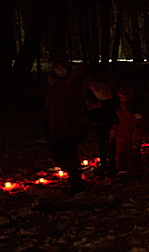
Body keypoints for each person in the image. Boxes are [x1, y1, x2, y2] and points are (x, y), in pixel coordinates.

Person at [45, 57, 86, 193]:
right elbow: (49, 103)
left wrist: (80, 121)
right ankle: (72, 177)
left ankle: (76, 184)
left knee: (71, 155)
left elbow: (79, 104)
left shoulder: (73, 84)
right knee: (57, 153)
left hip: (70, 124)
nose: (59, 71)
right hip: (55, 124)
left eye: (61, 68)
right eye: (57, 68)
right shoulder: (52, 85)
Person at [86, 78, 118, 179]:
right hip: (102, 120)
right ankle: (108, 166)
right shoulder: (106, 88)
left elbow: (90, 105)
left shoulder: (91, 88)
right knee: (105, 143)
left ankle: (109, 166)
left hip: (103, 119)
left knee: (106, 143)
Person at [111, 85, 143, 181]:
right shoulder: (118, 110)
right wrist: (114, 130)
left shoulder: (133, 110)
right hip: (121, 135)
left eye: (122, 97)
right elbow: (116, 121)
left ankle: (136, 172)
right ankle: (122, 173)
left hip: (132, 134)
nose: (120, 99)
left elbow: (137, 123)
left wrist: (136, 133)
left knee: (134, 153)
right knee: (121, 154)